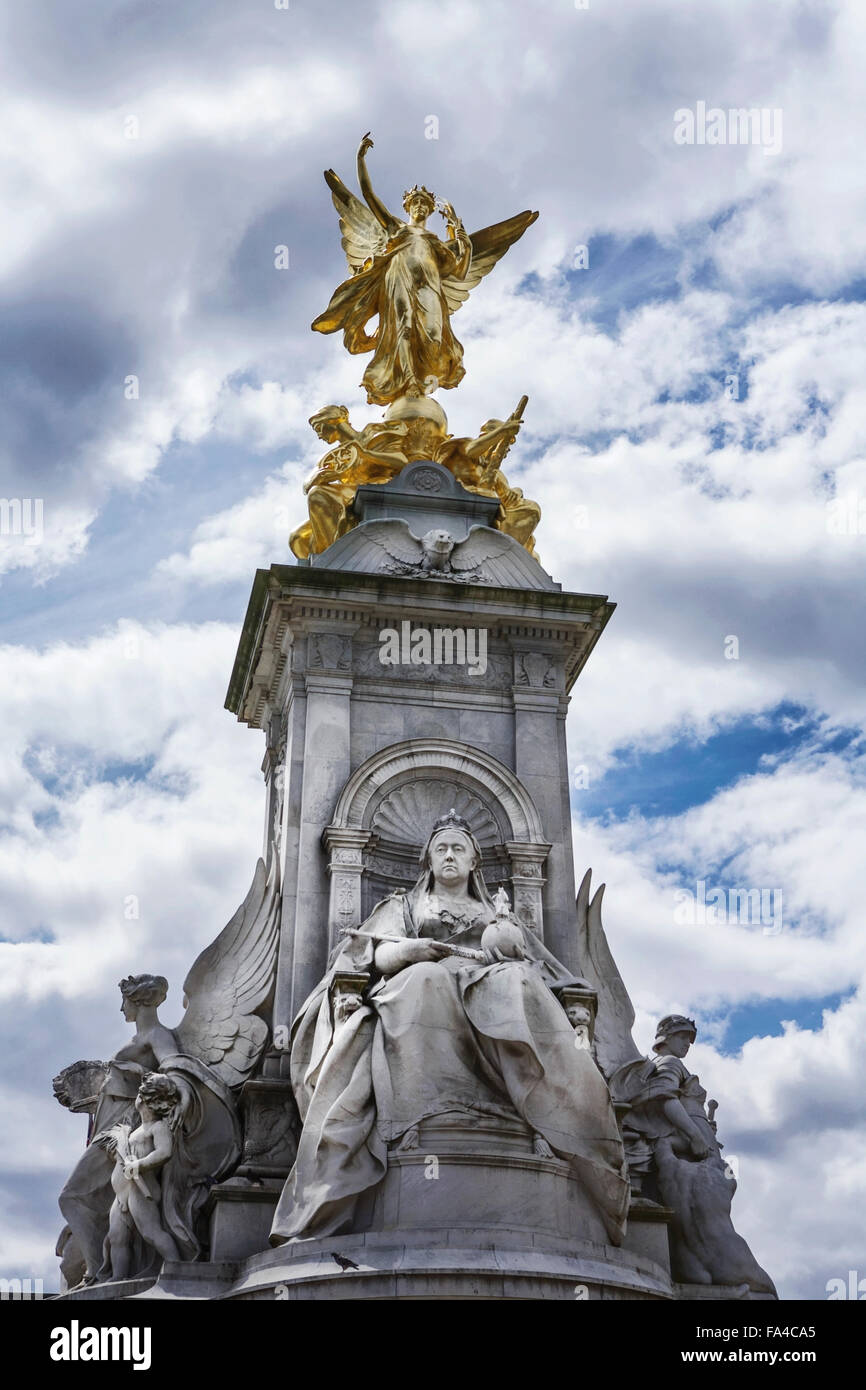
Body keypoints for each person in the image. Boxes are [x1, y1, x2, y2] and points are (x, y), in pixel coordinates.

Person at [271, 811, 628, 1245]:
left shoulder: (497, 912)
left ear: (475, 861)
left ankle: (538, 1114)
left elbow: (535, 964)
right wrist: (411, 952)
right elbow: (370, 957)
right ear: (428, 860)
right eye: (441, 849)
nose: (449, 855)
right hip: (420, 978)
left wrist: (507, 946)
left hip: (488, 982)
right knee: (427, 981)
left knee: (519, 984)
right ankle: (419, 1119)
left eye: (458, 848)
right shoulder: (403, 907)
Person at [611, 1015, 776, 1294]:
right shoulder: (669, 1063)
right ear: (665, 1038)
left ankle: (699, 1268)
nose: (688, 1043)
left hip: (691, 1152)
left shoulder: (671, 1064)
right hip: (690, 1151)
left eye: (690, 1038)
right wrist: (695, 1135)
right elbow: (666, 1099)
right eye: (683, 1036)